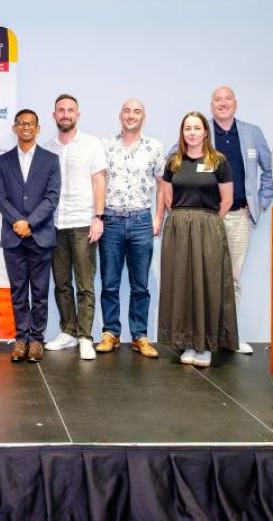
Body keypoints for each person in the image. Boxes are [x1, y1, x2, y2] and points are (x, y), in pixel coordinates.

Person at [159, 111, 238, 368]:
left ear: (205, 132)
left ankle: (205, 345)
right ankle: (187, 343)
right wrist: (185, 220)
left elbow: (227, 199)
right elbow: (168, 198)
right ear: (182, 133)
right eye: (187, 128)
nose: (192, 132)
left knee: (208, 284)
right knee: (182, 284)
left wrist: (208, 221)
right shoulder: (173, 162)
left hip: (208, 226)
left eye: (196, 128)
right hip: (179, 228)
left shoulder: (218, 161)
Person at [208, 86, 273, 354]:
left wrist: (260, 202)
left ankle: (231, 335)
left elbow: (270, 170)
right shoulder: (201, 130)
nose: (223, 103)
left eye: (228, 99)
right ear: (212, 105)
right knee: (206, 278)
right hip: (209, 219)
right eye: (218, 99)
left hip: (238, 217)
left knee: (233, 279)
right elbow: (175, 163)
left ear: (235, 103)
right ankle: (204, 336)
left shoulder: (252, 132)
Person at [96, 99, 164, 358]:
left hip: (141, 221)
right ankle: (110, 333)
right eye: (127, 111)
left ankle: (139, 336)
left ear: (144, 117)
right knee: (109, 283)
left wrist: (158, 217)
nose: (131, 115)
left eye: (137, 112)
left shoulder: (154, 147)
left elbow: (162, 185)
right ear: (120, 115)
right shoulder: (105, 145)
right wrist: (98, 216)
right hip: (111, 221)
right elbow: (98, 182)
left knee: (140, 285)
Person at [42, 94, 107, 361]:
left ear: (77, 115)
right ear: (54, 115)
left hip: (83, 223)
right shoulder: (47, 148)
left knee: (85, 284)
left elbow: (99, 181)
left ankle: (85, 337)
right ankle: (68, 331)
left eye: (70, 110)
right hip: (55, 224)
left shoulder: (92, 144)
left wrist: (98, 217)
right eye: (61, 110)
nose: (66, 114)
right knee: (61, 283)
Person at [0, 109, 61, 363]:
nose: (26, 127)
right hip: (13, 237)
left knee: (40, 292)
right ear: (15, 128)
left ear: (38, 128)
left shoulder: (50, 160)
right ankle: (21, 339)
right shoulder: (3, 161)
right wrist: (18, 222)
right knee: (18, 291)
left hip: (40, 234)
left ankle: (36, 340)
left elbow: (52, 197)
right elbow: (0, 197)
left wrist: (30, 222)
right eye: (21, 123)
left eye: (31, 123)